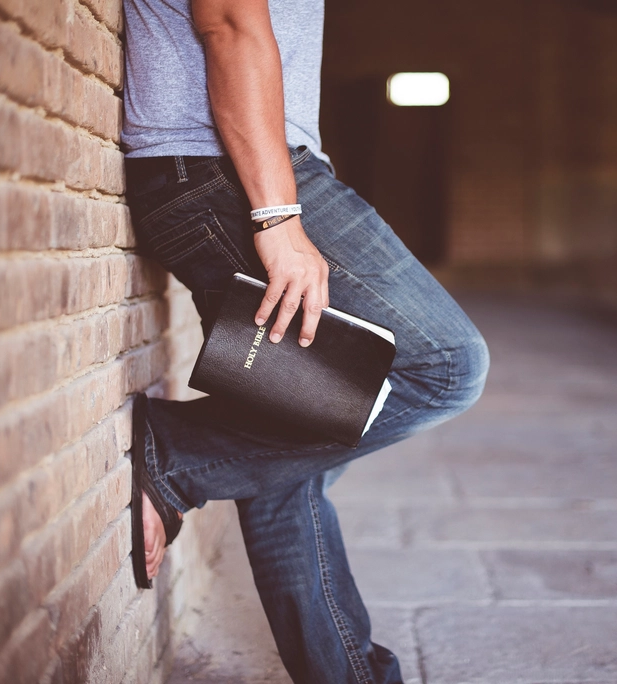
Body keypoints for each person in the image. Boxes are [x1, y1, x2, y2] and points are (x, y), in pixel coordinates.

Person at [120, 0, 490, 681]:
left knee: (287, 447)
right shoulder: (257, 194)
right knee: (446, 365)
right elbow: (229, 21)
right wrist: (279, 214)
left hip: (218, 170)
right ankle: (177, 452)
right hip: (226, 175)